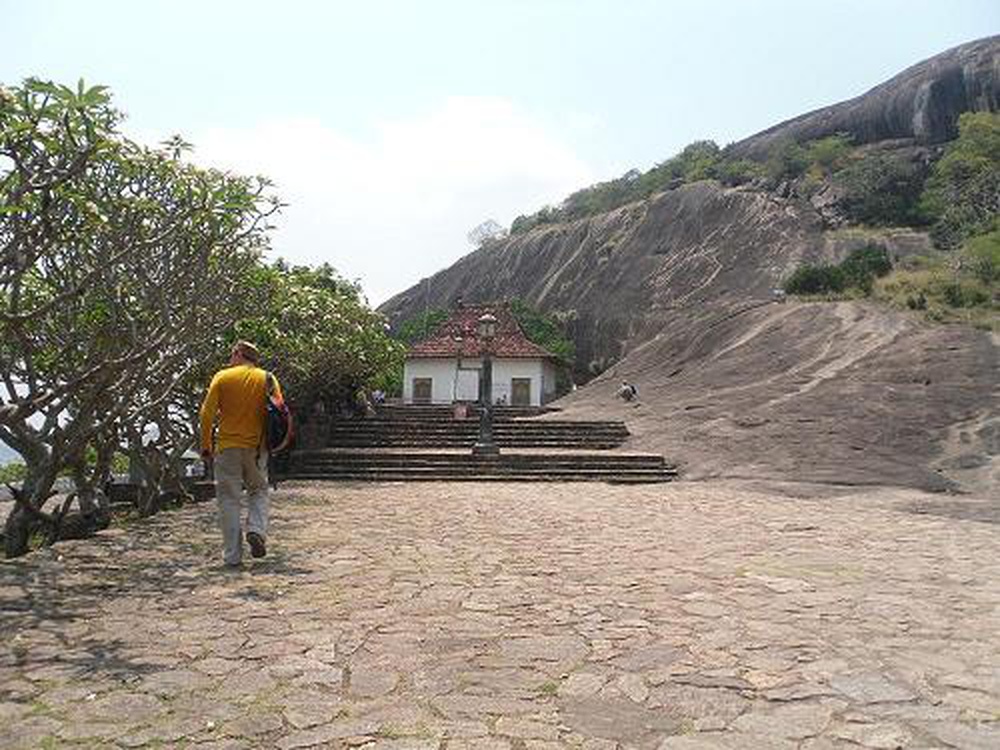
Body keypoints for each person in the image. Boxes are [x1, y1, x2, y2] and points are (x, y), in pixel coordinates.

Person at [199, 341, 283, 567]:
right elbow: (280, 411)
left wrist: (206, 445)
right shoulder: (268, 379)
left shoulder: (222, 377)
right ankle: (256, 529)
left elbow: (206, 414)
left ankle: (232, 556)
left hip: (227, 448)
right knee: (258, 491)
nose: (229, 358)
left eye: (231, 353)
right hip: (257, 448)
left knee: (228, 499)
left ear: (238, 354)